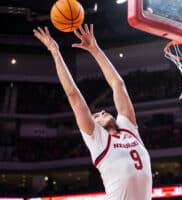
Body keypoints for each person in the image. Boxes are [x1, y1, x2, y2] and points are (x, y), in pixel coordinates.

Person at [33, 24, 152, 200]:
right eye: (96, 116)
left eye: (101, 112)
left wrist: (95, 50)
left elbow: (118, 84)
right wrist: (55, 51)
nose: (102, 112)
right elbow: (73, 94)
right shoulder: (97, 138)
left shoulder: (128, 128)